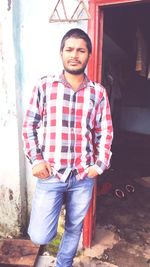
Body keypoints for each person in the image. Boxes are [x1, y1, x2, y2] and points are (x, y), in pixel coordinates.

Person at [22, 28, 113, 267]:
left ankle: (64, 263)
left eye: (81, 50)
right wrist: (36, 160)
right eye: (69, 49)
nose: (75, 55)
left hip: (83, 175)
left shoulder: (98, 93)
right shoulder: (45, 86)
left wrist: (98, 165)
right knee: (40, 235)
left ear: (89, 55)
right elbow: (29, 125)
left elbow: (105, 131)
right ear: (61, 53)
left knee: (74, 226)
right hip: (51, 174)